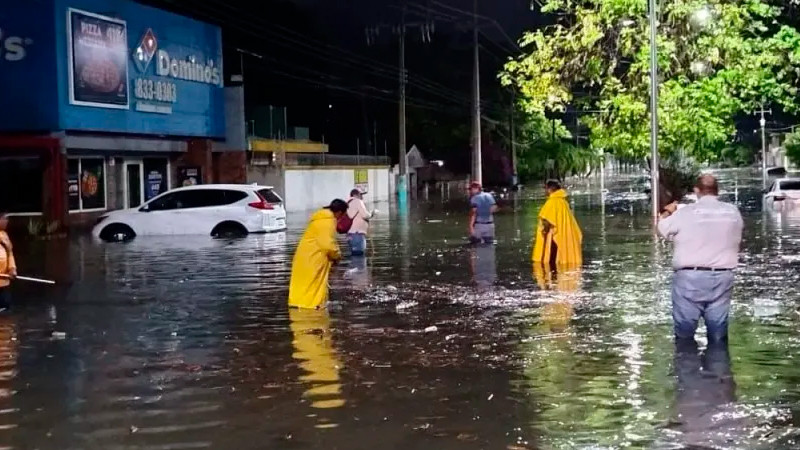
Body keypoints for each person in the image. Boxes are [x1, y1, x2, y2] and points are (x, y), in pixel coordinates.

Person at [658, 174, 744, 342]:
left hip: (689, 279)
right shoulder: (733, 212)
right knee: (718, 336)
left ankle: (686, 365)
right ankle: (718, 366)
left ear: (696, 191)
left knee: (684, 337)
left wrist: (667, 212)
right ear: (717, 191)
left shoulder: (686, 213)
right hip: (723, 278)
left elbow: (661, 229)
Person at [288, 199, 348, 309]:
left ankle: (298, 304)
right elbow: (327, 244)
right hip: (313, 260)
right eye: (343, 215)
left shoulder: (319, 219)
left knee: (303, 285)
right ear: (339, 212)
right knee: (313, 286)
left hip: (304, 258)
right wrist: (337, 255)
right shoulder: (328, 221)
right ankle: (311, 307)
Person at [532, 180, 583, 266]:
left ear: (550, 189)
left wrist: (544, 230)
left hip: (554, 238)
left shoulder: (551, 203)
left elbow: (547, 221)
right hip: (563, 236)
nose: (545, 191)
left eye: (545, 189)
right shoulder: (564, 203)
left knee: (552, 262)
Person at [346, 188, 376, 256]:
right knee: (359, 257)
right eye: (361, 194)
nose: (362, 196)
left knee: (354, 255)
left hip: (349, 234)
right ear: (355, 195)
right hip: (357, 234)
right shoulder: (358, 201)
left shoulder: (347, 202)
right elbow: (365, 215)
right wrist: (372, 214)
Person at [0, 213, 16, 311]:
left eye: (7, 219)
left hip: (4, 283)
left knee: (5, 308)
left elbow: (10, 254)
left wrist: (12, 268)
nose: (7, 221)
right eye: (4, 219)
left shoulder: (4, 235)